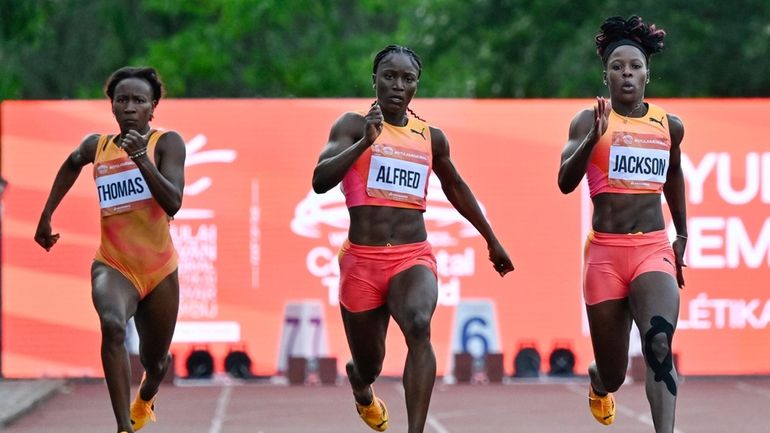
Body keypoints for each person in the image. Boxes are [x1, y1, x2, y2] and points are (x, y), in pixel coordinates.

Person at [312, 45, 514, 433]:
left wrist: (491, 238)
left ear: (417, 86)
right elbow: (320, 181)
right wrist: (363, 144)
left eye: (407, 79)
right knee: (369, 363)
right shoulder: (352, 125)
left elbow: (456, 185)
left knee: (420, 325)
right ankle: (361, 385)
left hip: (411, 256)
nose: (397, 85)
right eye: (389, 76)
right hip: (362, 262)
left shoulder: (429, 137)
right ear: (374, 80)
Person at [34, 66, 186, 433]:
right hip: (113, 264)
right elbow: (72, 163)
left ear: (153, 107)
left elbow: (174, 203)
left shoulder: (166, 143)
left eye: (138, 101)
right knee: (113, 327)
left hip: (159, 268)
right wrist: (46, 215)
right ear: (113, 107)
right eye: (122, 100)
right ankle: (122, 427)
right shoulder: (96, 146)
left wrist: (141, 159)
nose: (129, 107)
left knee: (156, 361)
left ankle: (146, 397)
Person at [557, 16, 686, 433]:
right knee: (613, 372)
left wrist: (681, 234)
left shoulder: (669, 126)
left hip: (652, 248)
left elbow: (673, 176)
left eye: (634, 66)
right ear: (606, 74)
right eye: (617, 66)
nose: (626, 73)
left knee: (660, 345)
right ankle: (600, 382)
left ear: (648, 72)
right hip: (606, 256)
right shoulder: (588, 120)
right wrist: (592, 139)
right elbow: (564, 182)